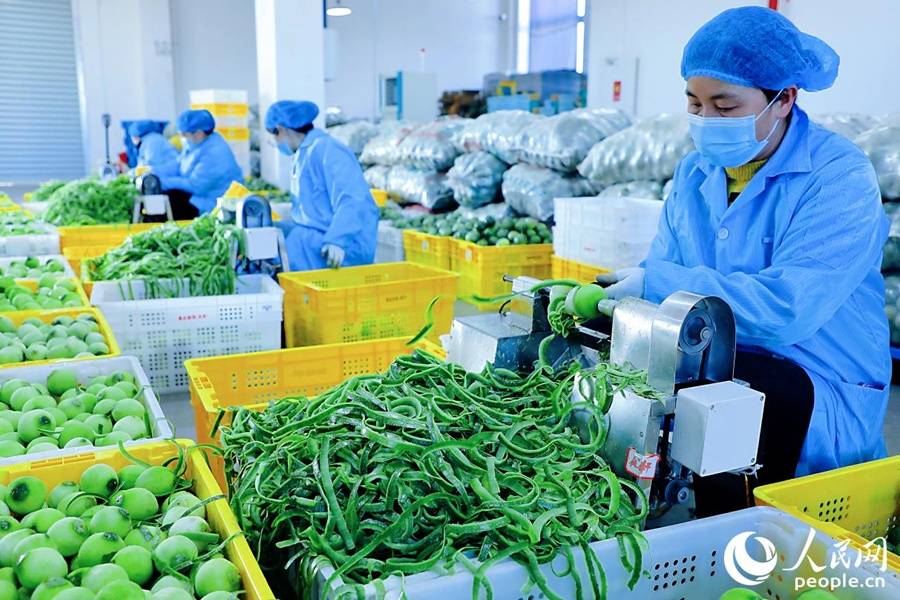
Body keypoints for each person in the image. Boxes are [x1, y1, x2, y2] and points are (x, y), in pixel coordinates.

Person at [598, 7, 889, 514]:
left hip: (813, 381)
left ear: (784, 99)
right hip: (725, 368)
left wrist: (655, 284)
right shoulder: (694, 172)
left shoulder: (839, 176)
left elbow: (787, 310)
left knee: (744, 439)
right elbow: (666, 270)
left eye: (725, 106)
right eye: (694, 103)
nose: (706, 120)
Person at [264, 100, 377, 270]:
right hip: (316, 236)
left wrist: (337, 240)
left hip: (342, 247)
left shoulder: (329, 150)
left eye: (275, 137)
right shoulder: (302, 153)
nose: (276, 142)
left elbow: (353, 199)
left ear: (281, 130)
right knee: (272, 235)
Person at [157, 109, 242, 219]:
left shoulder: (215, 153)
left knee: (171, 201)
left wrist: (162, 182)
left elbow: (197, 185)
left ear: (198, 133)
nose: (182, 139)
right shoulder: (196, 144)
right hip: (199, 197)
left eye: (184, 135)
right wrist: (154, 171)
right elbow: (179, 164)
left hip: (212, 205)